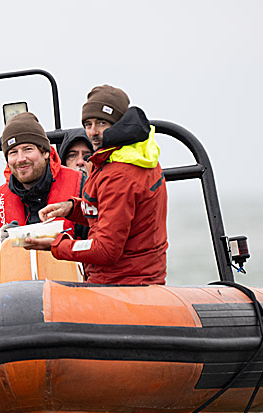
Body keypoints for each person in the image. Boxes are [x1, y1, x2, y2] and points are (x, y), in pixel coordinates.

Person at [24, 85, 168, 285]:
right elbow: (110, 213)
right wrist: (71, 208)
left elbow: (106, 250)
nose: (93, 132)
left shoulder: (119, 174)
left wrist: (56, 245)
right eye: (88, 124)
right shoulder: (136, 156)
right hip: (143, 279)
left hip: (122, 284)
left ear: (119, 123)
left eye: (102, 123)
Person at [0, 112, 83, 286]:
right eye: (13, 152)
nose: (20, 159)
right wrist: (2, 248)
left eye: (28, 149)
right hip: (16, 305)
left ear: (46, 152)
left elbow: (104, 247)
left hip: (75, 299)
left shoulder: (81, 186)